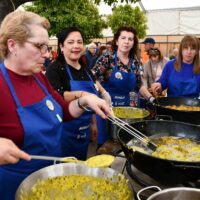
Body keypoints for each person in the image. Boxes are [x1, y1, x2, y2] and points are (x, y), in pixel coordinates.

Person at [0, 11, 111, 200]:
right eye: (39, 46)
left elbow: (64, 110)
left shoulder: (39, 77)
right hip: (14, 187)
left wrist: (85, 101)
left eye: (46, 46)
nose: (46, 53)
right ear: (12, 45)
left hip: (51, 180)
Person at [46, 27, 111, 160]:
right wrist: (82, 94)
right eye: (70, 42)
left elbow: (93, 91)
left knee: (80, 165)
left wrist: (93, 123)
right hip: (63, 131)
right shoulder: (55, 68)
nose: (76, 46)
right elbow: (57, 95)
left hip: (84, 129)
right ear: (61, 46)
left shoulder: (85, 68)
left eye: (79, 42)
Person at [92, 26, 153, 146]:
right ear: (117, 41)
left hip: (129, 112)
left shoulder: (135, 61)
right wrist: (104, 93)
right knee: (107, 147)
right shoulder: (107, 58)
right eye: (123, 38)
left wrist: (151, 98)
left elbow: (139, 84)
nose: (127, 41)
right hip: (108, 110)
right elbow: (92, 78)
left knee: (128, 146)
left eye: (130, 39)